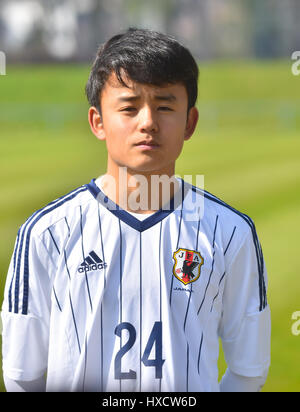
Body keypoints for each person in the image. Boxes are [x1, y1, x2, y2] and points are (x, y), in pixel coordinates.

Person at [1, 28, 270, 392]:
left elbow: (249, 370)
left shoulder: (230, 231)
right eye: (129, 107)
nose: (148, 122)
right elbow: (21, 374)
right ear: (98, 122)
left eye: (164, 106)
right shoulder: (47, 232)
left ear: (190, 122)